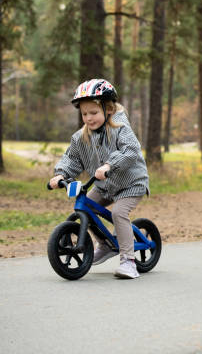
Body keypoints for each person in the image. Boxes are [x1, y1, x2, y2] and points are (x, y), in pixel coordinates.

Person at [49, 79, 149, 279]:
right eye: (84, 113)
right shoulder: (80, 137)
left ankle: (129, 261)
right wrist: (60, 174)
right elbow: (72, 159)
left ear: (109, 109)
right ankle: (105, 245)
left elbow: (130, 151)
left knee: (119, 213)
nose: (88, 118)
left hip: (131, 183)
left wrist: (109, 165)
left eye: (93, 113)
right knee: (86, 206)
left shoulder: (120, 129)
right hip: (105, 185)